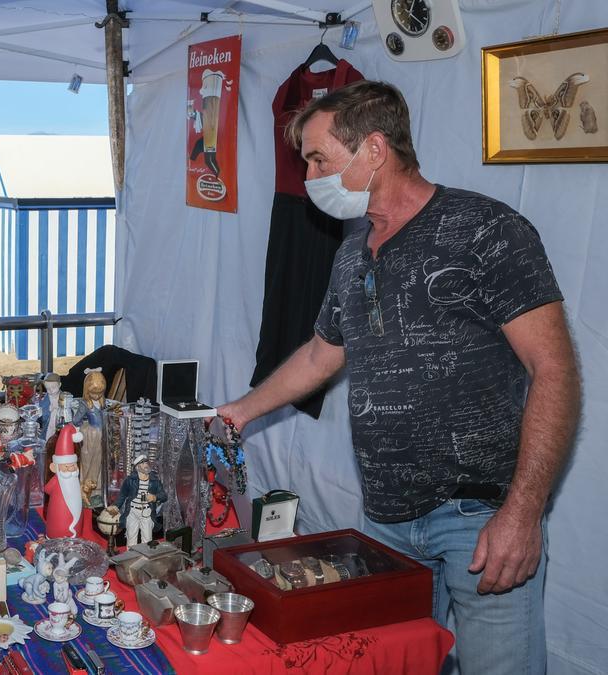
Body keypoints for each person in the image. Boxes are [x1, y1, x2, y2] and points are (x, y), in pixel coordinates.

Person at [214, 80, 579, 675]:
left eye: (318, 158)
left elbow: (554, 369)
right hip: (386, 518)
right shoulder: (354, 250)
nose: (309, 176)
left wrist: (522, 511)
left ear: (374, 150)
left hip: (479, 517)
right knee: (398, 661)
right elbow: (320, 354)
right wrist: (242, 411)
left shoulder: (486, 230)